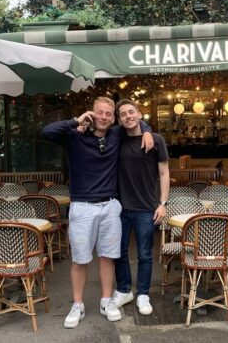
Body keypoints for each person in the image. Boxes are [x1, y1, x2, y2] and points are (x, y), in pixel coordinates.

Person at [42, 97, 153, 328]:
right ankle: (78, 305)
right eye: (99, 113)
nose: (103, 117)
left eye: (108, 114)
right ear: (92, 114)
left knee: (108, 256)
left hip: (110, 205)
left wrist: (147, 131)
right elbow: (47, 132)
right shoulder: (75, 135)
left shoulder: (116, 134)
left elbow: (134, 122)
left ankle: (105, 300)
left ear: (113, 119)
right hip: (82, 206)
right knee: (80, 259)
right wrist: (75, 121)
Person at [112, 99, 170, 315]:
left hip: (146, 207)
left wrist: (163, 204)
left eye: (131, 112)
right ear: (119, 120)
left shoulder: (156, 140)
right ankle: (124, 290)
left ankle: (143, 294)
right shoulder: (116, 138)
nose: (128, 116)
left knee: (145, 254)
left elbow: (164, 173)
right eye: (123, 114)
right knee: (119, 252)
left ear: (139, 114)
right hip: (120, 207)